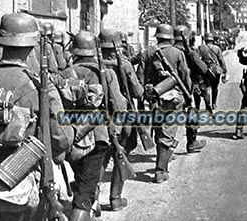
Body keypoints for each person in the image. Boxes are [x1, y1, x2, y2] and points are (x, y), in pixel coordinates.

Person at [0, 13, 74, 221]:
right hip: (26, 180)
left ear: (0, 41)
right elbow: (60, 139)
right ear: (32, 46)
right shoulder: (41, 87)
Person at [64, 30, 127, 220]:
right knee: (85, 190)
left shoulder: (66, 72)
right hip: (97, 135)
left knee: (83, 179)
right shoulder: (105, 74)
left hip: (70, 134)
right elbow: (119, 106)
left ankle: (92, 203)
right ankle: (86, 206)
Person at [138, 23, 191, 183]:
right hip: (173, 98)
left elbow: (141, 75)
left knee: (159, 130)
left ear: (158, 36)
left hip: (153, 97)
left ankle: (163, 164)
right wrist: (188, 96)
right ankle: (160, 171)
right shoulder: (177, 53)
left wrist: (143, 97)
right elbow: (184, 76)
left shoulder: (147, 52)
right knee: (168, 132)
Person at [99, 29, 143, 210]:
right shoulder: (123, 64)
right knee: (121, 153)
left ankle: (92, 199)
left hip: (96, 118)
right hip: (120, 117)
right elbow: (137, 92)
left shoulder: (93, 63)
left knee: (99, 158)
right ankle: (115, 198)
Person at [173, 25, 208, 153]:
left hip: (170, 88)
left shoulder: (169, 51)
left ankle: (167, 150)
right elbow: (202, 68)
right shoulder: (189, 52)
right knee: (191, 114)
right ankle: (192, 142)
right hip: (187, 88)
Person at [199, 32, 227, 110]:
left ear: (205, 40)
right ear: (212, 40)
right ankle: (214, 103)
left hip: (205, 70)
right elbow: (221, 60)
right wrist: (224, 70)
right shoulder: (217, 48)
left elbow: (198, 60)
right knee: (215, 87)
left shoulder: (201, 48)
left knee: (207, 88)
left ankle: (208, 105)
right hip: (215, 70)